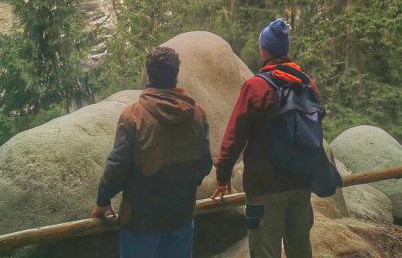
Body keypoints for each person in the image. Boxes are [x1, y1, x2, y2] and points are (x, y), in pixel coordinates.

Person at [212, 18, 319, 258]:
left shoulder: (256, 87)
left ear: (264, 50)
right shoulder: (307, 84)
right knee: (301, 250)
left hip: (265, 188)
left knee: (264, 251)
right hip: (301, 184)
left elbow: (235, 135)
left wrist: (222, 175)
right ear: (286, 50)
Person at [92, 46, 212, 258]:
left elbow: (117, 165)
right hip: (181, 216)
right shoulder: (197, 114)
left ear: (148, 75)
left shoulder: (133, 116)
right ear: (176, 74)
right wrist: (184, 185)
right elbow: (205, 162)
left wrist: (103, 200)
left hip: (141, 221)